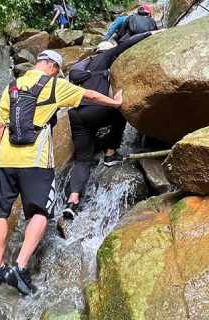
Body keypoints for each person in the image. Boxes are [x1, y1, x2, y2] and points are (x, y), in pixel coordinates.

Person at [0, 49, 123, 295]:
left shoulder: (12, 87)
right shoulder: (53, 85)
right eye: (57, 69)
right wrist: (115, 102)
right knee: (40, 212)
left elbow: (0, 126)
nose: (58, 72)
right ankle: (20, 266)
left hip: (6, 159)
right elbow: (89, 95)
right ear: (50, 65)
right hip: (35, 161)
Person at [57, 31, 155, 238]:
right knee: (119, 112)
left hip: (77, 115)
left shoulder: (79, 71)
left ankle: (72, 201)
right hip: (98, 108)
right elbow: (124, 44)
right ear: (106, 53)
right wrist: (152, 33)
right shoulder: (102, 60)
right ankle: (110, 153)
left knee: (82, 160)